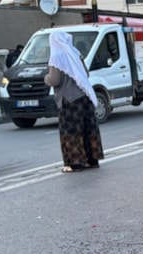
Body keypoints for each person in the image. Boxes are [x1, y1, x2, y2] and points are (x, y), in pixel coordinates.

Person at [43, 31, 104, 173]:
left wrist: (45, 78)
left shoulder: (56, 57)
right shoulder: (75, 54)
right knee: (87, 129)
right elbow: (85, 74)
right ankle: (92, 160)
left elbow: (54, 80)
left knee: (71, 132)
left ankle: (76, 163)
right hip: (85, 97)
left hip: (69, 100)